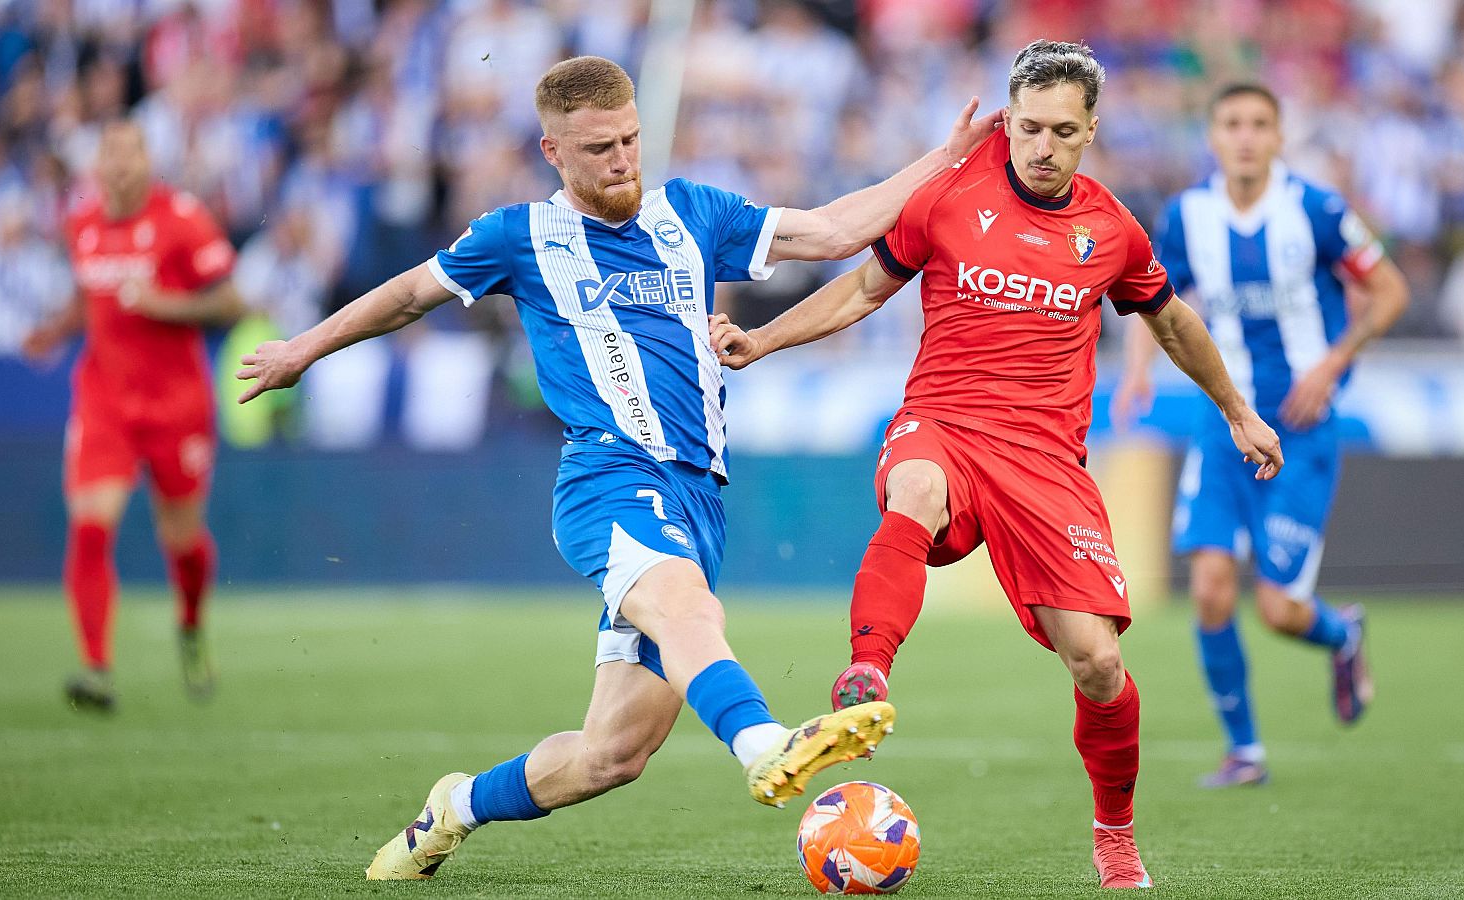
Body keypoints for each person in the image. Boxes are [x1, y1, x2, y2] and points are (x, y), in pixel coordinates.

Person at [235, 56, 1000, 881]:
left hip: (700, 496)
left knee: (611, 756)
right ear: (553, 151)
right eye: (599, 147)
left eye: (631, 139)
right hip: (608, 477)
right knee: (687, 608)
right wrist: (303, 349)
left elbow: (833, 230)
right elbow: (408, 295)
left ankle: (453, 808)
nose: (623, 160)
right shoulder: (518, 235)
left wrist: (946, 157)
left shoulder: (693, 213)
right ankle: (766, 744)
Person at [712, 41, 1282, 891]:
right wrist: (760, 341)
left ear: (1091, 131)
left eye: (1061, 131)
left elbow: (1172, 324)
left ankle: (1115, 831)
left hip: (1047, 463)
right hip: (942, 423)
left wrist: (1238, 411)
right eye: (1026, 128)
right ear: (1006, 122)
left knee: (1096, 664)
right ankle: (867, 669)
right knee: (914, 489)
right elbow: (865, 290)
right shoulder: (947, 194)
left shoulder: (1111, 229)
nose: (1040, 147)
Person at [1112, 84, 1411, 788]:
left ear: (1279, 136)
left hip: (1303, 429)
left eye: (1259, 124)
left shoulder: (1316, 209)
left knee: (1278, 609)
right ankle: (1244, 750)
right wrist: (1135, 372)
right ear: (1212, 136)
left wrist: (1334, 364)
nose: (1245, 136)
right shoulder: (1189, 215)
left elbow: (1390, 289)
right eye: (1232, 124)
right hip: (1223, 427)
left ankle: (1342, 634)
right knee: (1211, 587)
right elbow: (1151, 297)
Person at [22, 121, 244, 712]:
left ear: (148, 160)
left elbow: (230, 300)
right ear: (97, 163)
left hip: (177, 404)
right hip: (105, 401)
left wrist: (161, 304)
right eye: (110, 155)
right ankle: (96, 668)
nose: (120, 166)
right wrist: (55, 330)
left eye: (131, 154)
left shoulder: (183, 219)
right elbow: (87, 297)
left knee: (182, 538)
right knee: (92, 525)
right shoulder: (82, 223)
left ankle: (191, 626)